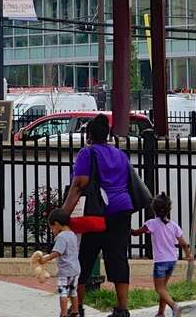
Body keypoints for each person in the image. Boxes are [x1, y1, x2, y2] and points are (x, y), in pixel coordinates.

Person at [62, 113, 133, 317]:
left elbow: (78, 186)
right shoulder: (121, 154)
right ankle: (122, 308)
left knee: (84, 258)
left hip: (97, 213)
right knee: (118, 258)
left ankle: (77, 307)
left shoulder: (87, 153)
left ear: (89, 136)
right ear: (108, 134)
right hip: (122, 210)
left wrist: (63, 214)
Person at [131, 192, 192, 317]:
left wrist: (127, 228)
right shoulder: (174, 226)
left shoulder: (151, 224)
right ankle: (161, 313)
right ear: (169, 209)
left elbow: (136, 233)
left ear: (154, 209)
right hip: (172, 261)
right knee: (163, 287)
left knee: (159, 288)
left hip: (160, 262)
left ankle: (175, 307)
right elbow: (184, 244)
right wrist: (188, 255)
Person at [37, 208, 80, 317]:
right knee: (73, 291)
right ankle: (75, 311)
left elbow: (57, 252)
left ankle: (64, 313)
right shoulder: (72, 234)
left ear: (56, 224)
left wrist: (46, 259)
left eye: (52, 228)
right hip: (75, 270)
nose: (52, 231)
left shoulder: (61, 237)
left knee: (63, 292)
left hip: (65, 271)